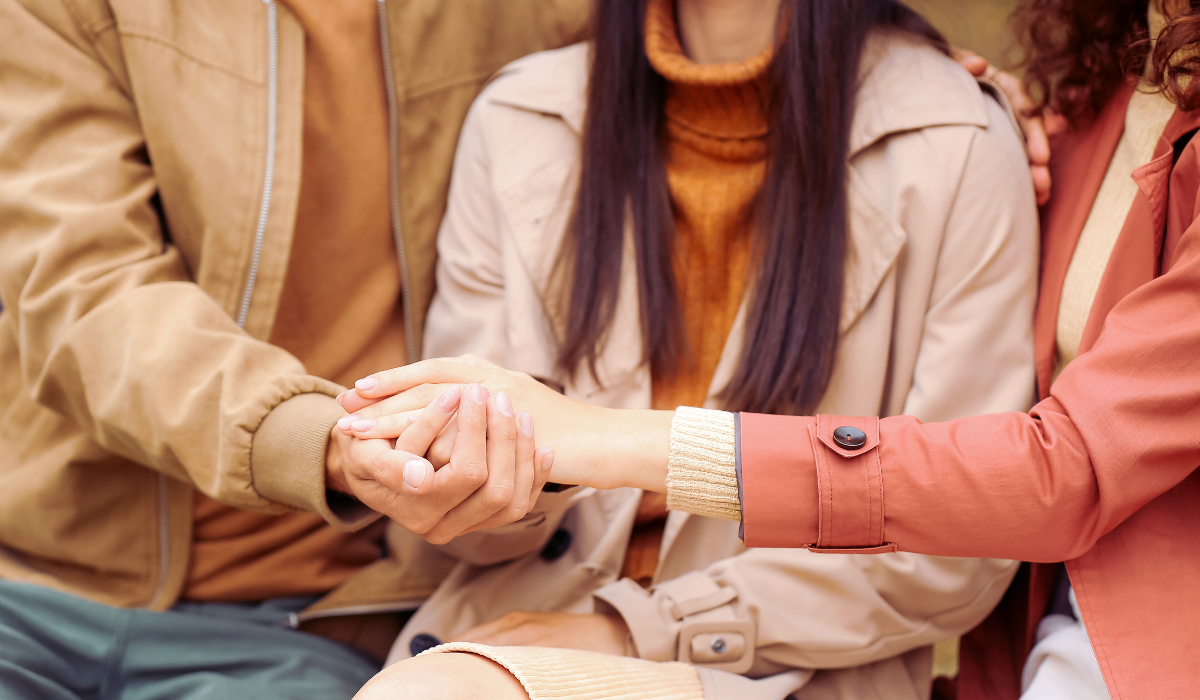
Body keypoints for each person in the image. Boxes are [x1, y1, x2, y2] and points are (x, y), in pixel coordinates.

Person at [338, 0, 1200, 698]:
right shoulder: (522, 113)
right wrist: (467, 480)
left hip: (791, 660)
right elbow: (472, 536)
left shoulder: (957, 139)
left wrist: (634, 622)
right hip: (501, 622)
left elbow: (962, 547)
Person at [0, 0, 587, 696]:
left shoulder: (549, 14)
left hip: (320, 620)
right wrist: (320, 442)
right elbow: (82, 287)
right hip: (32, 581)